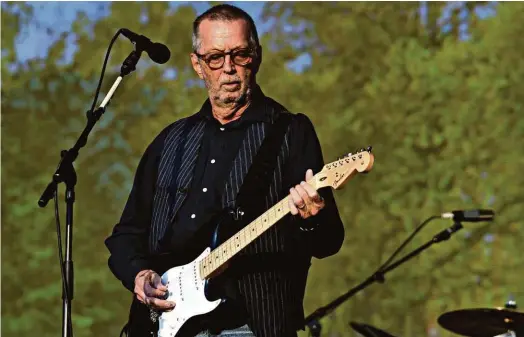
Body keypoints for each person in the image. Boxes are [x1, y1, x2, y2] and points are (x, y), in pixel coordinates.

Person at [105, 4, 345, 337]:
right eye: (215, 58)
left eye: (240, 55)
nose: (228, 69)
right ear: (197, 65)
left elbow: (329, 240)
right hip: (161, 324)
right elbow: (127, 234)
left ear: (256, 57)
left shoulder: (290, 132)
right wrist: (139, 273)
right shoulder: (170, 140)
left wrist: (313, 216)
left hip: (251, 325)